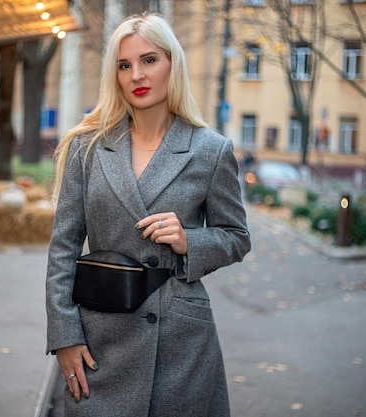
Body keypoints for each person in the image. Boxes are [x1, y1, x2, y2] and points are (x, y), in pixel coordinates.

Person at [45, 13, 251, 417]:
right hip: (100, 336)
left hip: (181, 345)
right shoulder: (87, 148)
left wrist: (191, 239)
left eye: (149, 60)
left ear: (172, 64)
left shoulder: (210, 150)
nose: (137, 74)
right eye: (125, 65)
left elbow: (236, 236)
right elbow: (63, 249)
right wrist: (63, 335)